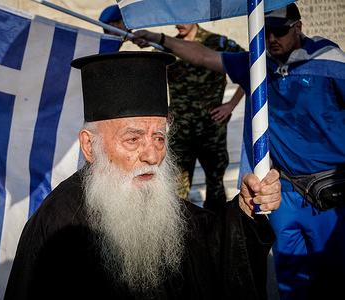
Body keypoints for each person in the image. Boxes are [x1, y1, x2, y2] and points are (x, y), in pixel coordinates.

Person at [4, 51, 282, 299]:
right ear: (90, 145)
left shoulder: (153, 196)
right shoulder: (58, 225)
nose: (152, 155)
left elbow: (210, 251)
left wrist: (245, 211)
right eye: (133, 140)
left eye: (159, 138)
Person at [131, 3, 345, 299]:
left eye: (279, 32)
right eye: (266, 32)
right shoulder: (257, 64)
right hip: (281, 190)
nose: (271, 40)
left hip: (329, 192)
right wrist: (159, 38)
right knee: (289, 275)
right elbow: (204, 56)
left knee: (331, 272)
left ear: (298, 26)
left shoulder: (331, 62)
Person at [166, 23, 246, 212]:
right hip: (180, 130)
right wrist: (162, 108)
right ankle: (182, 236)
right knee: (176, 189)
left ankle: (215, 235)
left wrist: (231, 104)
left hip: (211, 128)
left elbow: (250, 67)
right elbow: (150, 76)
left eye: (183, 19)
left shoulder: (217, 43)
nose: (179, 24)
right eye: (176, 19)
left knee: (215, 187)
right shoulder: (169, 46)